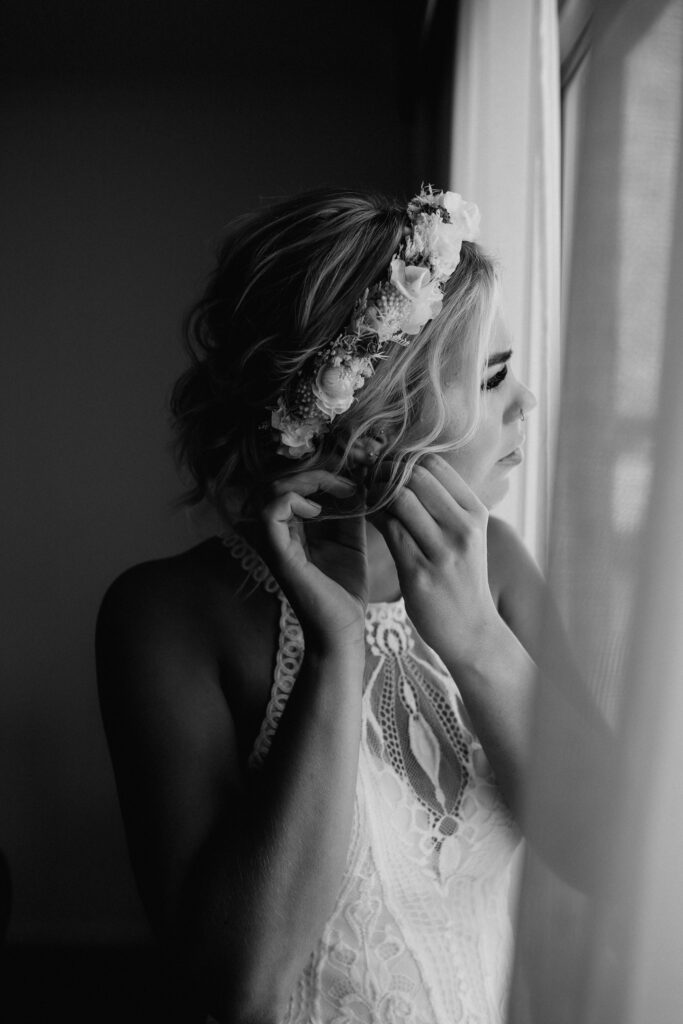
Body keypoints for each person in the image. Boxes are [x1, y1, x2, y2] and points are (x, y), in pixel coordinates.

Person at [96, 186, 548, 1024]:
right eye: (490, 378)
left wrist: (479, 638)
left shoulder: (502, 570)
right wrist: (335, 652)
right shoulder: (166, 617)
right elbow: (234, 989)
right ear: (373, 419)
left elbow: (605, 855)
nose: (525, 403)